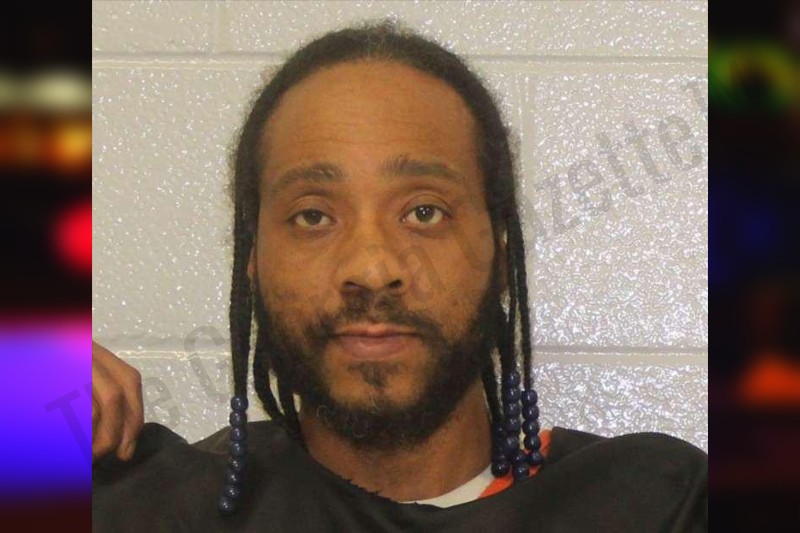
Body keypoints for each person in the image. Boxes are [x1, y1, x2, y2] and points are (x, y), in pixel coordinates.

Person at [92, 21, 707, 532]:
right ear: (253, 261)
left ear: (499, 256)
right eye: (313, 216)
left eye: (424, 212)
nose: (371, 268)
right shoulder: (152, 508)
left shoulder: (658, 505)